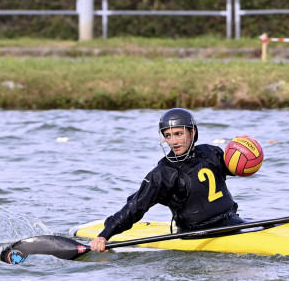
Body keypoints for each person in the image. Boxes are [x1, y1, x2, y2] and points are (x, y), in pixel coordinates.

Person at [90, 108, 244, 252]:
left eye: (178, 133)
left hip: (232, 222)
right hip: (197, 234)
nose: (173, 141)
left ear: (193, 132)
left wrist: (240, 150)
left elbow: (237, 168)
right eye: (168, 136)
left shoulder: (211, 152)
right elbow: (135, 207)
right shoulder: (163, 174)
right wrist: (104, 235)